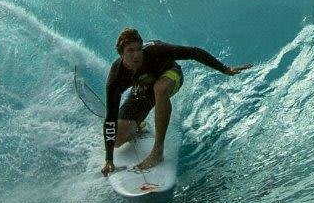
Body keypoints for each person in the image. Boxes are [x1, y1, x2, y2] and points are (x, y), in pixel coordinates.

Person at [102, 27, 243, 174]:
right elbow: (110, 118)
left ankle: (157, 151)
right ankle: (138, 125)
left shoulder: (155, 50)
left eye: (139, 49)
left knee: (160, 88)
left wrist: (224, 69)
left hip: (171, 76)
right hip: (145, 89)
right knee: (117, 140)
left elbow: (193, 52)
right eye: (131, 50)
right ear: (121, 53)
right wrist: (109, 160)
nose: (137, 55)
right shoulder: (116, 77)